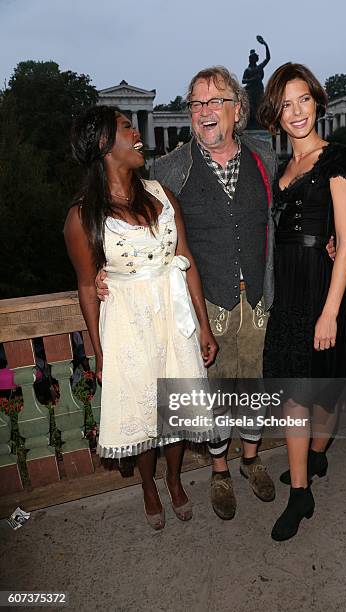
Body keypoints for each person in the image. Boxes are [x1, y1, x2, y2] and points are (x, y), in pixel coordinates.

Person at [97, 66, 278, 520]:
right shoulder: (170, 167)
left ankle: (251, 460)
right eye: (196, 103)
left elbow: (281, 216)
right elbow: (136, 221)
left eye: (216, 101)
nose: (204, 111)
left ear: (237, 110)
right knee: (214, 395)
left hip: (257, 298)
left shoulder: (264, 155)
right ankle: (219, 470)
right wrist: (108, 267)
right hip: (208, 303)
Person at [64, 105, 217, 530]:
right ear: (103, 144)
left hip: (174, 316)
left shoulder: (163, 195)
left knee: (177, 411)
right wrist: (98, 351)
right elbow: (84, 286)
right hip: (128, 326)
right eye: (127, 128)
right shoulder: (82, 217)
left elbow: (185, 259)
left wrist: (203, 325)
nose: (137, 135)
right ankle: (149, 485)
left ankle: (172, 478)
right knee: (146, 415)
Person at [258, 63, 346, 541]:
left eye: (304, 100)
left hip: (321, 293)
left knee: (325, 393)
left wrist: (331, 312)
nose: (296, 112)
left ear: (317, 101)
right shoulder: (282, 168)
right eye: (286, 105)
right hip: (288, 296)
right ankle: (301, 492)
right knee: (293, 397)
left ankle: (315, 456)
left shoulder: (337, 160)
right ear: (276, 115)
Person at [242, 35, 271, 128]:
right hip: (250, 91)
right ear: (251, 59)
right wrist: (253, 79)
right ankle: (250, 124)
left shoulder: (259, 67)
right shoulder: (247, 70)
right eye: (253, 57)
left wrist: (265, 45)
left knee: (260, 107)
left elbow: (268, 58)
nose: (254, 59)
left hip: (258, 89)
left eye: (255, 57)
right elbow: (243, 80)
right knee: (250, 108)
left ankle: (260, 123)